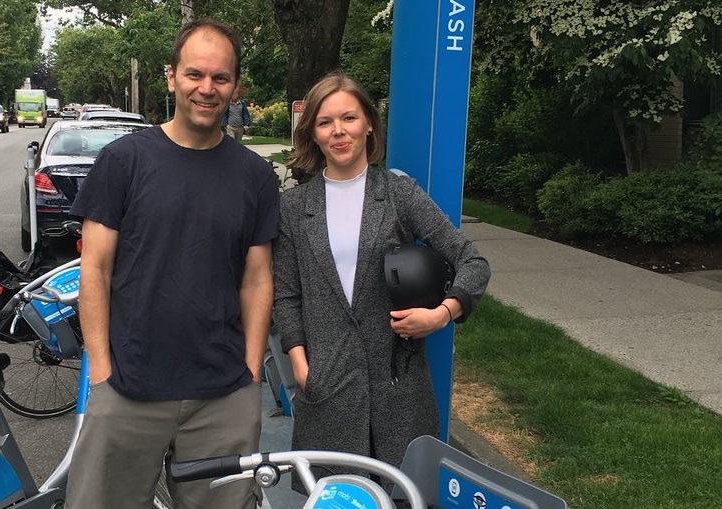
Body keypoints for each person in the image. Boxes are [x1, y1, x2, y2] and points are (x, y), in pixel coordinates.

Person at [65, 20, 280, 509]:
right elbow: (94, 270)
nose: (207, 88)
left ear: (235, 86)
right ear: (171, 77)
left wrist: (250, 375)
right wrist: (100, 374)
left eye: (220, 78)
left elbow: (256, 279)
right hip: (127, 388)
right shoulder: (123, 161)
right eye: (195, 74)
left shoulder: (254, 176)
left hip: (222, 397)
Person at [273, 72, 490, 493]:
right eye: (325, 122)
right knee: (337, 498)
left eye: (349, 118)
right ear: (312, 133)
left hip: (398, 384)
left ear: (369, 124)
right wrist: (300, 364)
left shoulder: (397, 194)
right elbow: (286, 294)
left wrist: (442, 314)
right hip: (328, 384)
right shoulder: (294, 208)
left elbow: (472, 261)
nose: (339, 131)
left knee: (404, 496)